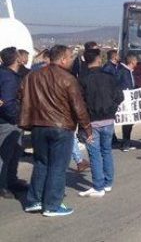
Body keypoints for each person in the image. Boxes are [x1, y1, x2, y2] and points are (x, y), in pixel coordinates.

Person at [19, 45, 92, 217]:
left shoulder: (32, 76)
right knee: (58, 166)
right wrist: (87, 128)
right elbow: (78, 106)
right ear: (63, 59)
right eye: (71, 58)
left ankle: (34, 200)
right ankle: (52, 205)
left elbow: (20, 95)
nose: (73, 61)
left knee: (41, 163)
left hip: (37, 126)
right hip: (61, 127)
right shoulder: (68, 78)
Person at [77, 49, 124, 198]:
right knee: (106, 151)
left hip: (92, 122)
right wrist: (112, 109)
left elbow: (79, 103)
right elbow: (120, 97)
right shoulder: (110, 77)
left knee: (95, 154)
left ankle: (99, 186)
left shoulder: (83, 80)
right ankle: (108, 183)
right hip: (109, 120)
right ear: (99, 59)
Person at [0, 47, 27, 199]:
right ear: (17, 59)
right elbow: (7, 102)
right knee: (5, 154)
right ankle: (3, 185)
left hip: (10, 120)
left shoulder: (7, 74)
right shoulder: (9, 78)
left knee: (15, 151)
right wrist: (17, 118)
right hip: (9, 121)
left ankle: (11, 180)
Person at [119, 54, 139, 152]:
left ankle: (127, 141)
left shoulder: (130, 72)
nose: (137, 62)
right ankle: (125, 144)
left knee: (130, 122)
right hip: (125, 101)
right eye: (136, 60)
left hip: (131, 100)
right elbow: (118, 84)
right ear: (132, 62)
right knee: (126, 121)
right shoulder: (122, 71)